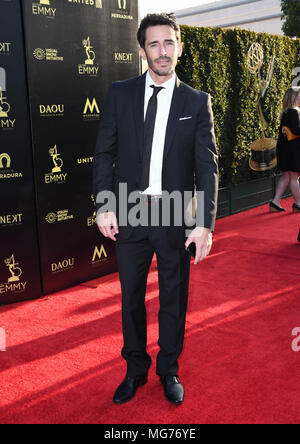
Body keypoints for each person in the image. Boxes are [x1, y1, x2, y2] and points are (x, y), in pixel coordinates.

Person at [93, 13, 218, 405]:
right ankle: (134, 369)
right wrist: (103, 204)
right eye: (154, 44)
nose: (162, 52)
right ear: (143, 49)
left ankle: (168, 368)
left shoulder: (197, 102)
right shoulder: (120, 93)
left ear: (180, 47)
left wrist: (204, 224)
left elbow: (207, 166)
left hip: (173, 211)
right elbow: (104, 153)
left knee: (173, 297)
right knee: (130, 297)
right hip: (129, 209)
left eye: (169, 43)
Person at [270, 86, 300, 212]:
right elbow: (296, 131)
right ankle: (298, 203)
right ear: (293, 97)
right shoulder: (293, 112)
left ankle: (275, 202)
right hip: (292, 150)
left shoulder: (286, 112)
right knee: (294, 176)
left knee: (286, 176)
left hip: (285, 149)